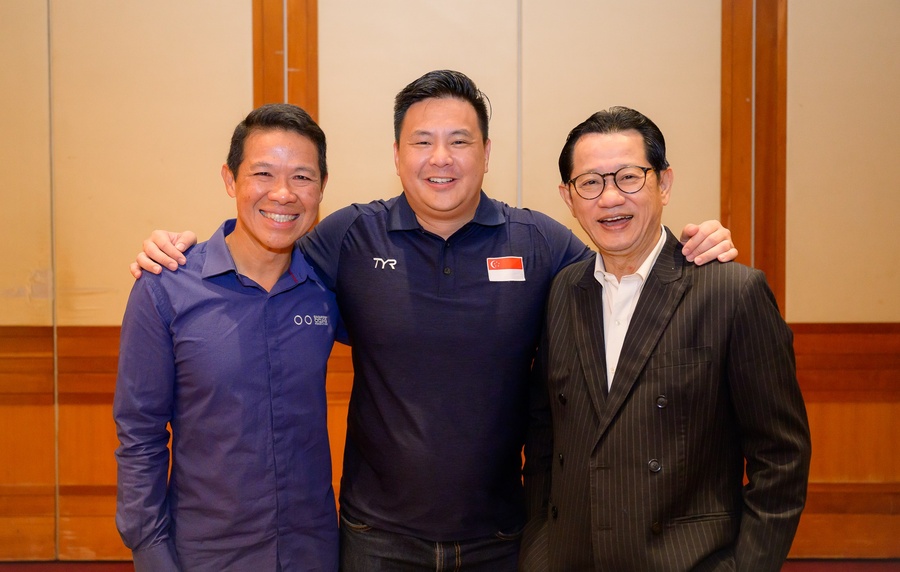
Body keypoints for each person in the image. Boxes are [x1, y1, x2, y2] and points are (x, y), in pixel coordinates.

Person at [130, 71, 738, 571]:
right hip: (375, 539)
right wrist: (177, 254)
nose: (440, 159)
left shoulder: (539, 244)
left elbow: (626, 276)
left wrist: (692, 247)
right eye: (422, 141)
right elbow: (260, 258)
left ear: (487, 152)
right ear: (396, 155)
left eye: (460, 140)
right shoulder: (347, 239)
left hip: (503, 536)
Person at [521, 106, 811, 571]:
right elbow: (544, 439)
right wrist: (537, 550)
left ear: (665, 184)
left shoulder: (730, 292)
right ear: (568, 197)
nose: (610, 198)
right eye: (590, 183)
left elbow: (781, 458)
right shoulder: (562, 291)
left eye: (629, 177)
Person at [114, 103, 343, 571]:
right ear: (229, 179)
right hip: (205, 554)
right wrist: (151, 553)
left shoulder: (328, 290)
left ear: (322, 187)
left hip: (312, 551)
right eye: (263, 173)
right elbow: (140, 435)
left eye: (302, 177)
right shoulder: (165, 288)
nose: (282, 194)